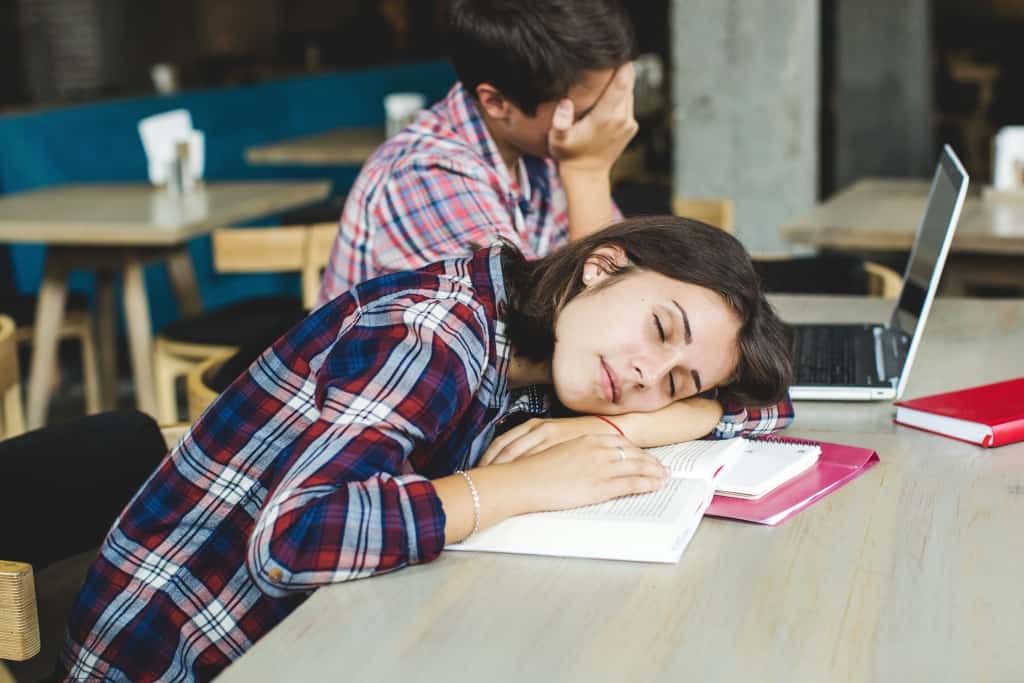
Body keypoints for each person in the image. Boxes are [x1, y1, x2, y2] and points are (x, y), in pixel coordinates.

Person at [61, 217, 793, 682]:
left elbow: (767, 408)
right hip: (180, 656)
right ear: (602, 266)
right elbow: (292, 538)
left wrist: (621, 428)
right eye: (660, 330)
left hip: (314, 635)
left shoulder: (549, 349)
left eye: (677, 381)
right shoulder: (436, 331)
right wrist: (526, 483)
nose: (645, 374)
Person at [316, 0, 638, 304]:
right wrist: (588, 171)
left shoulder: (544, 152)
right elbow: (541, 340)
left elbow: (632, 277)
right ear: (496, 102)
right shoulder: (426, 176)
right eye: (585, 114)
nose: (605, 123)